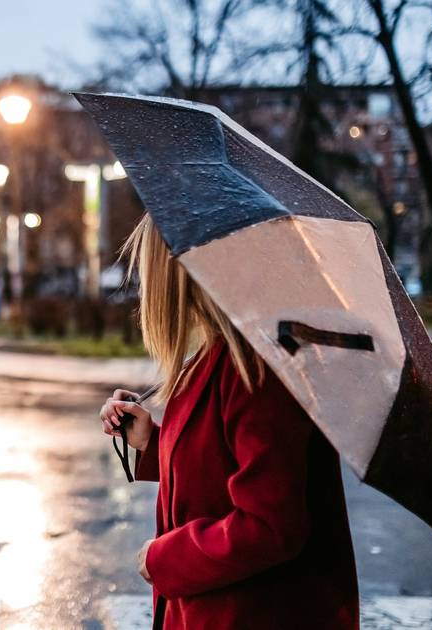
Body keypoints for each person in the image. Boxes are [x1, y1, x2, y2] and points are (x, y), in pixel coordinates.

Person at [100, 215, 359, 629]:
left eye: (149, 270)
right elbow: (220, 467)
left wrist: (163, 557)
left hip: (250, 615)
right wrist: (151, 441)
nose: (145, 289)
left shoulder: (255, 369)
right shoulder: (216, 359)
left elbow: (270, 525)